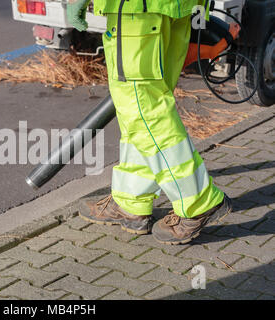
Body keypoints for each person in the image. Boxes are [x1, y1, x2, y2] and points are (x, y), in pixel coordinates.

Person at [67, 0, 232, 245]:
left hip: (137, 11)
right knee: (143, 109)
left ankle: (197, 201)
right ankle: (131, 199)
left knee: (142, 108)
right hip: (174, 8)